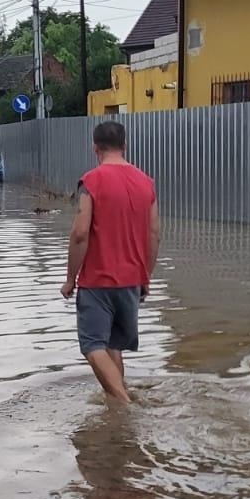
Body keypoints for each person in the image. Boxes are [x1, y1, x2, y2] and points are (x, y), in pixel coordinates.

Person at [60, 121, 160, 404]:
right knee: (114, 345)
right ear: (124, 146)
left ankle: (125, 405)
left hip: (98, 281)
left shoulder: (91, 181)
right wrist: (145, 276)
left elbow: (80, 233)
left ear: (96, 148)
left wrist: (70, 278)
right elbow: (155, 234)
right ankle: (116, 410)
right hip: (131, 281)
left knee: (93, 346)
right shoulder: (146, 183)